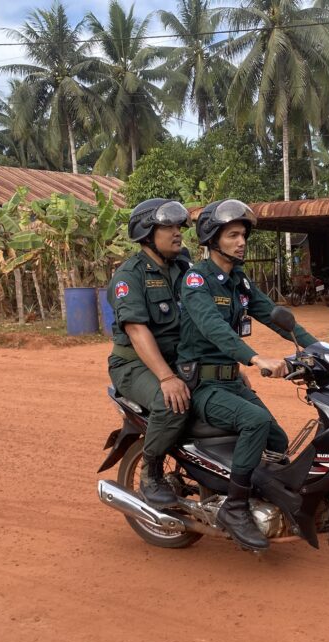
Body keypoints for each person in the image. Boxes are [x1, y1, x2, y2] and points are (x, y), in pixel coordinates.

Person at [178, 199, 318, 551]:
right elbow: (213, 328)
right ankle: (235, 507)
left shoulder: (238, 280)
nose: (241, 242)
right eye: (233, 235)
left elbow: (272, 314)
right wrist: (256, 359)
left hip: (230, 380)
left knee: (276, 439)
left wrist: (317, 348)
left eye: (243, 235)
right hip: (202, 383)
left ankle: (265, 502)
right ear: (213, 239)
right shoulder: (196, 280)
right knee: (255, 421)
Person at [107, 198, 193, 508]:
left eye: (178, 226)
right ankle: (151, 474)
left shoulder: (184, 268)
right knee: (171, 403)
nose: (177, 232)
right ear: (146, 234)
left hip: (176, 360)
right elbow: (136, 330)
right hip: (134, 365)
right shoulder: (130, 276)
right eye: (168, 227)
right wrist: (167, 378)